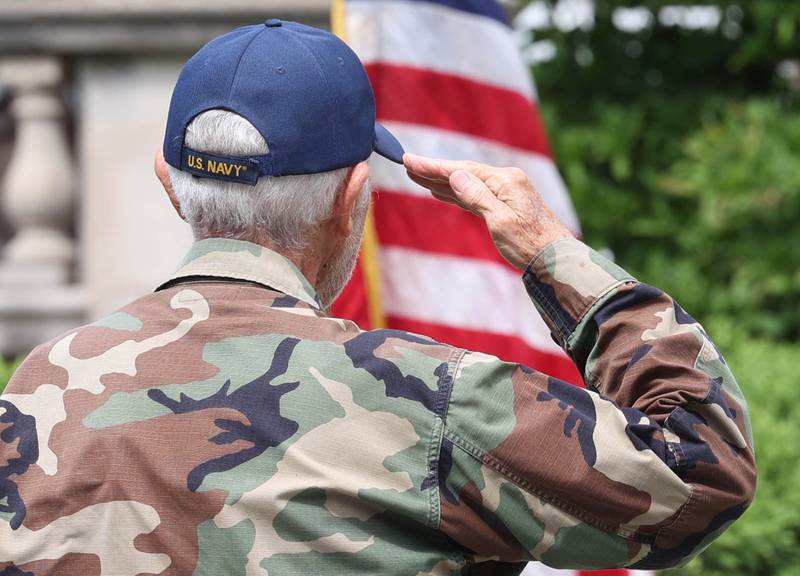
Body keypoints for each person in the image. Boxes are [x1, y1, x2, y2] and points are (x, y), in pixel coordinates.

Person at [0, 20, 755, 576]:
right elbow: (701, 475)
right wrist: (555, 255)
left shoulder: (38, 385)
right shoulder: (433, 397)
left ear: (170, 185)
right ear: (352, 199)